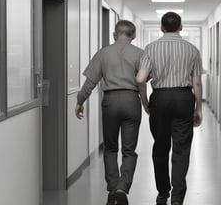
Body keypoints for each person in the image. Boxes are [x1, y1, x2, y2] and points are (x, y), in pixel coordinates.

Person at [136, 12, 203, 205]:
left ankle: (162, 192)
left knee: (161, 147)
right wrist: (198, 108)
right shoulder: (192, 49)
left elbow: (140, 79)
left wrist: (145, 100)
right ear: (180, 27)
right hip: (183, 98)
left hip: (160, 99)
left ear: (162, 27)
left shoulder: (151, 48)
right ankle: (177, 199)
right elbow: (196, 83)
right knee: (181, 149)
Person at [75, 20, 144, 205]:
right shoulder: (140, 54)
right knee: (129, 150)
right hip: (131, 101)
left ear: (115, 34)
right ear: (133, 35)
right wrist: (145, 103)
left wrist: (80, 101)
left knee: (110, 148)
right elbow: (144, 81)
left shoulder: (103, 53)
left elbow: (90, 83)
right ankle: (122, 188)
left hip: (110, 102)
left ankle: (113, 190)